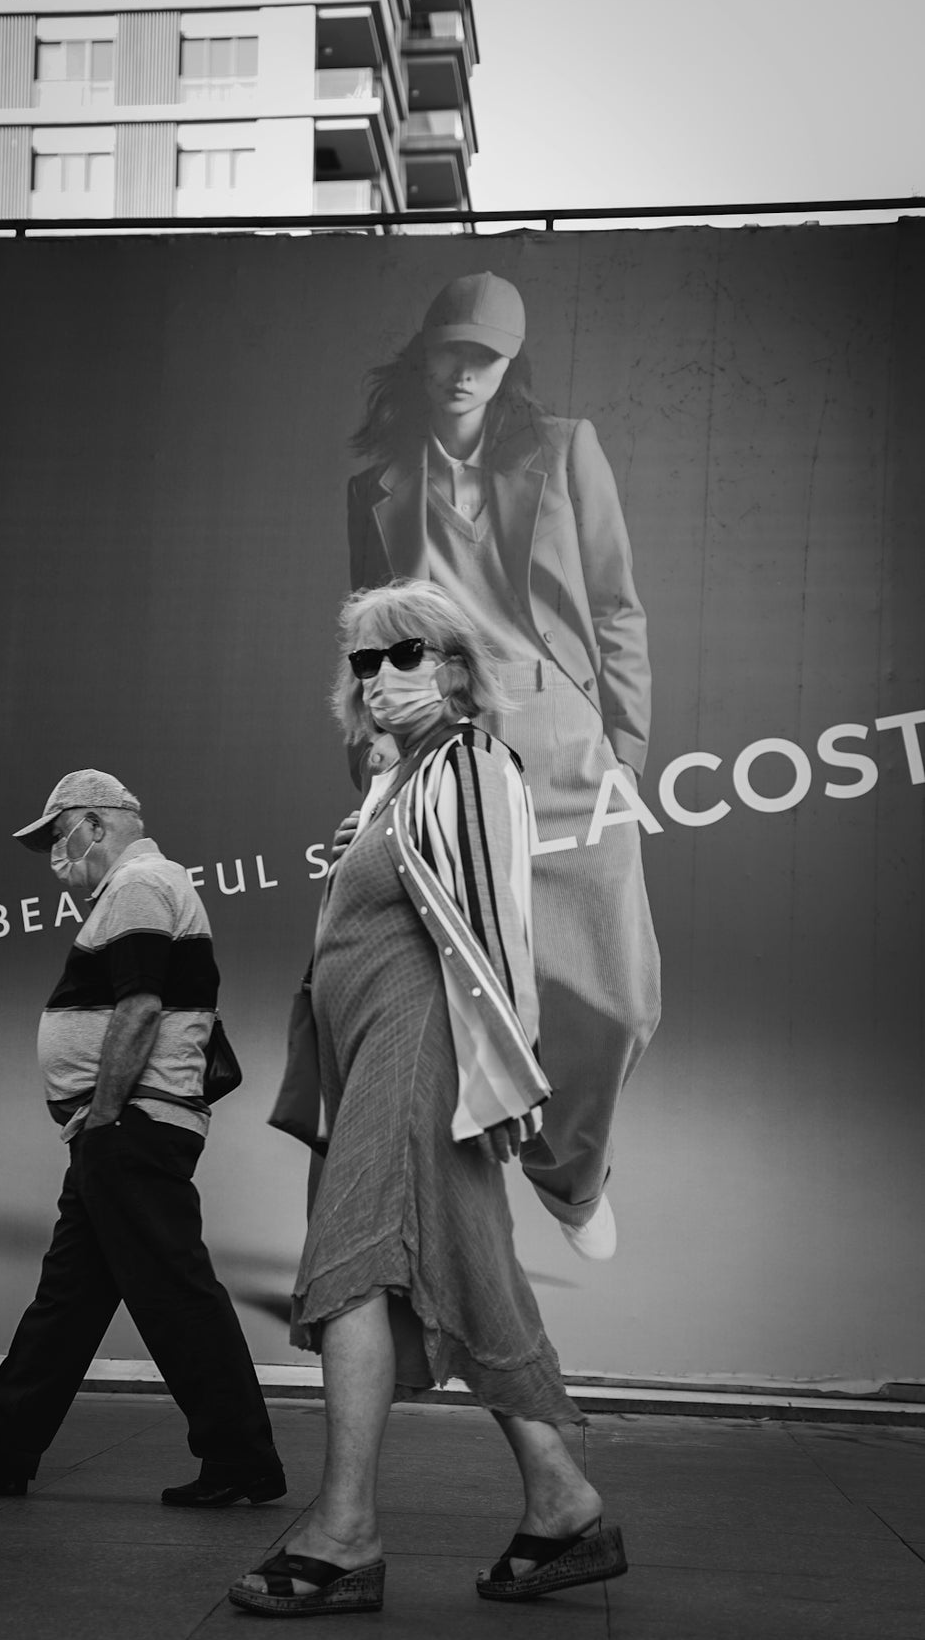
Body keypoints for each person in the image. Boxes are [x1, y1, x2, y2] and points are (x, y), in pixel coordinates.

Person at [230, 583, 626, 1618]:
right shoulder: (399, 783)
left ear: (453, 666)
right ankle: (562, 1501)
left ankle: (345, 1532)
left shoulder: (467, 762)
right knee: (467, 1271)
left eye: (404, 653)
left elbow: (496, 929)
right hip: (380, 1058)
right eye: (363, 662)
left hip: (420, 1053)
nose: (381, 677)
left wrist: (503, 1074)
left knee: (349, 1264)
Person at [346, 271, 662, 1260]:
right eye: (451, 352)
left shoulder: (566, 451)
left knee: (614, 1000)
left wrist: (626, 750)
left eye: (484, 358)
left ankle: (569, 1175)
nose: (463, 373)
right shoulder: (379, 486)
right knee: (464, 993)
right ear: (425, 353)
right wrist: (370, 759)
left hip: (567, 741)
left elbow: (614, 607)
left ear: (506, 367)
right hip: (447, 749)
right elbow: (367, 638)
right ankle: (443, 1224)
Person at [0, 770, 285, 1507]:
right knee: (68, 1298)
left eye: (56, 836)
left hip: (128, 1123)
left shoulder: (138, 885)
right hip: (120, 1125)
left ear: (96, 824)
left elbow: (139, 1006)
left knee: (173, 1293)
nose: (52, 857)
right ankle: (1, 1445)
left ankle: (241, 1457)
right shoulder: (139, 890)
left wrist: (102, 1112)